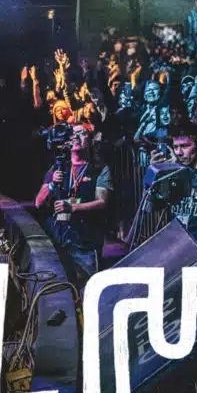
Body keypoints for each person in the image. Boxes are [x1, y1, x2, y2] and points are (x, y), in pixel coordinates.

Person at [35, 122, 112, 285]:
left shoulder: (99, 169)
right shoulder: (57, 168)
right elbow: (38, 202)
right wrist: (51, 185)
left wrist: (73, 207)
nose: (76, 137)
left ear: (90, 139)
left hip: (84, 241)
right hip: (58, 237)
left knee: (87, 285)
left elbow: (102, 202)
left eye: (82, 133)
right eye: (73, 133)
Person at [144, 122, 197, 257]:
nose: (178, 153)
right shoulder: (173, 172)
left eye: (184, 146)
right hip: (179, 246)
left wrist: (185, 171)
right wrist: (154, 173)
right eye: (175, 147)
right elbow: (150, 207)